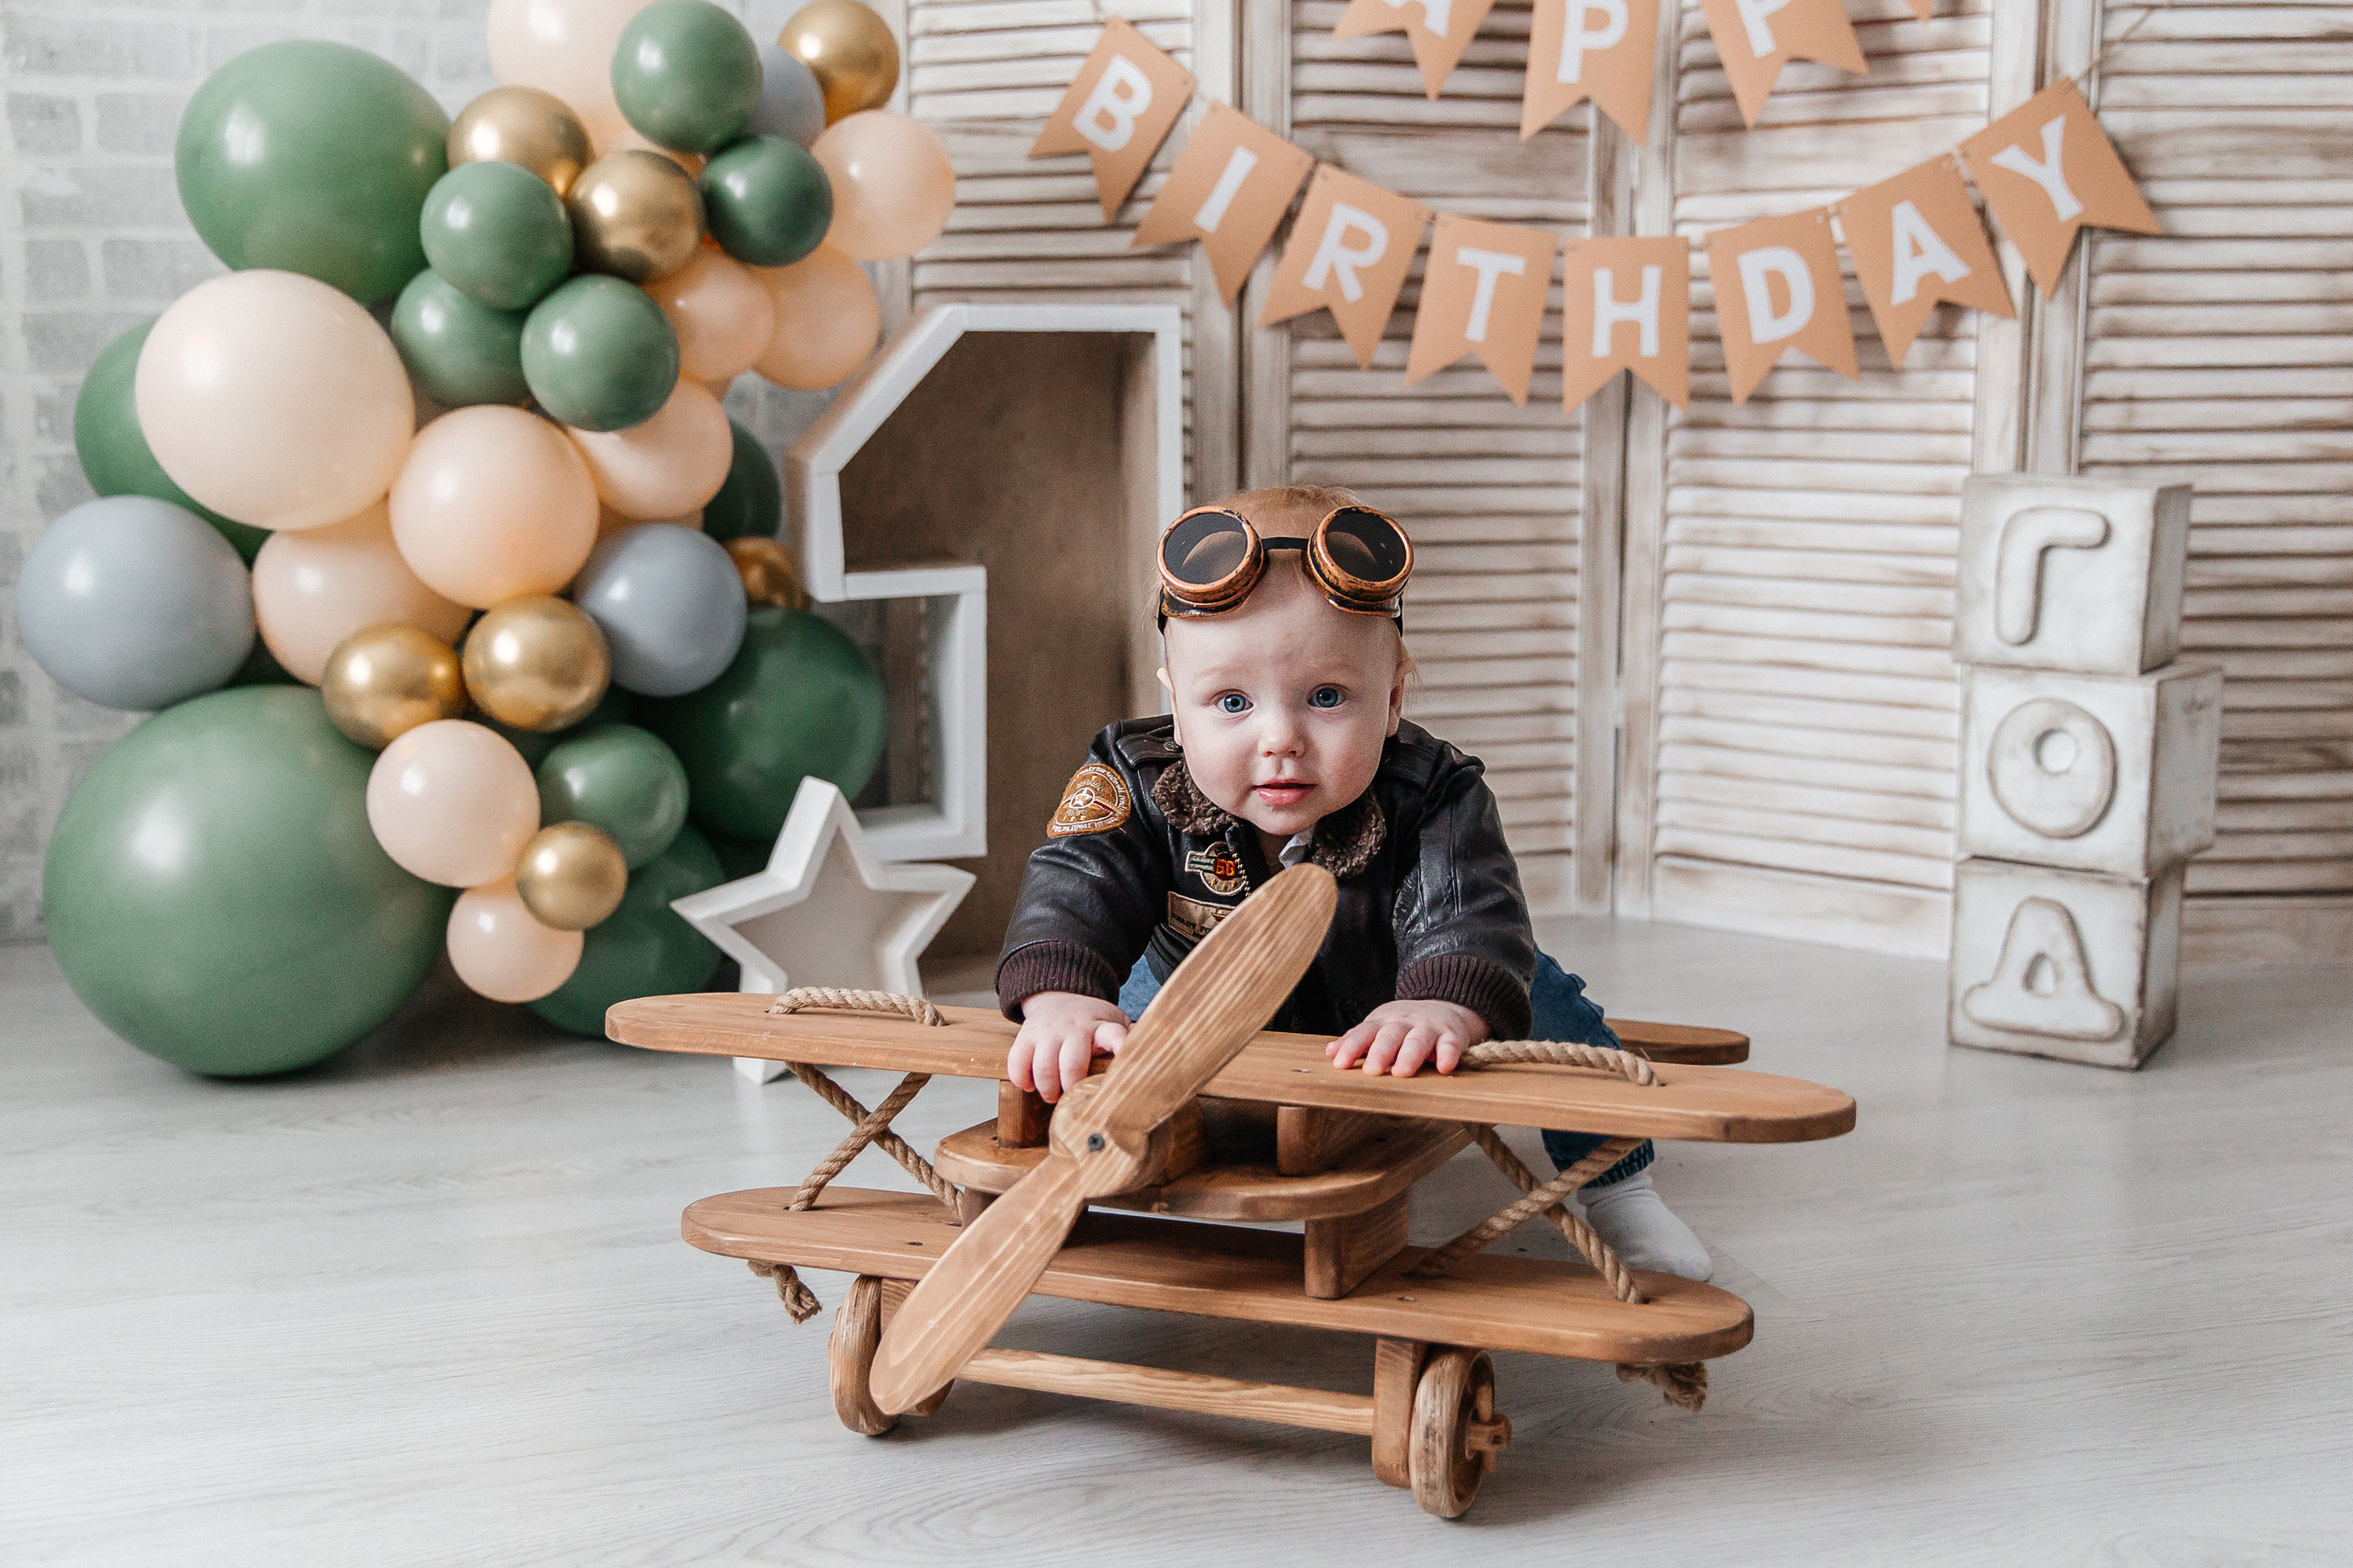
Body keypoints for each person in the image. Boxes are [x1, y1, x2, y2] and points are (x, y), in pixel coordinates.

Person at [994, 485, 1711, 1281]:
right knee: (1095, 1027)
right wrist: (1060, 991)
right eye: (1230, 702)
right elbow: (1075, 879)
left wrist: (1443, 999)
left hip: (1388, 991)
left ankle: (1618, 1184)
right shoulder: (1135, 776)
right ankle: (1085, 1169)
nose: (1280, 740)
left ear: (1395, 697)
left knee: (1532, 990)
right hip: (1193, 992)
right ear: (1175, 705)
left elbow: (1468, 910)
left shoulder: (1433, 792)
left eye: (1327, 698)